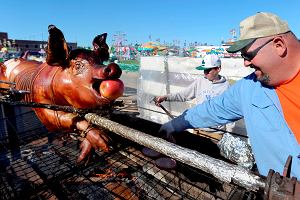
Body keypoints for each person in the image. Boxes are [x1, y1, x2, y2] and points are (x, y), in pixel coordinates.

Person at [159, 12, 300, 178]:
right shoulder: (249, 88)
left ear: (279, 45)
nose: (245, 63)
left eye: (248, 55)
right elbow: (213, 109)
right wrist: (174, 125)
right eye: (243, 57)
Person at [154, 54, 234, 135]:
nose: (205, 74)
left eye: (207, 70)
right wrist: (165, 97)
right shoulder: (200, 82)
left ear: (218, 69)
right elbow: (183, 95)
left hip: (215, 134)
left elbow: (230, 113)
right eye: (204, 70)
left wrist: (229, 133)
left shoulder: (226, 87)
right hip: (198, 130)